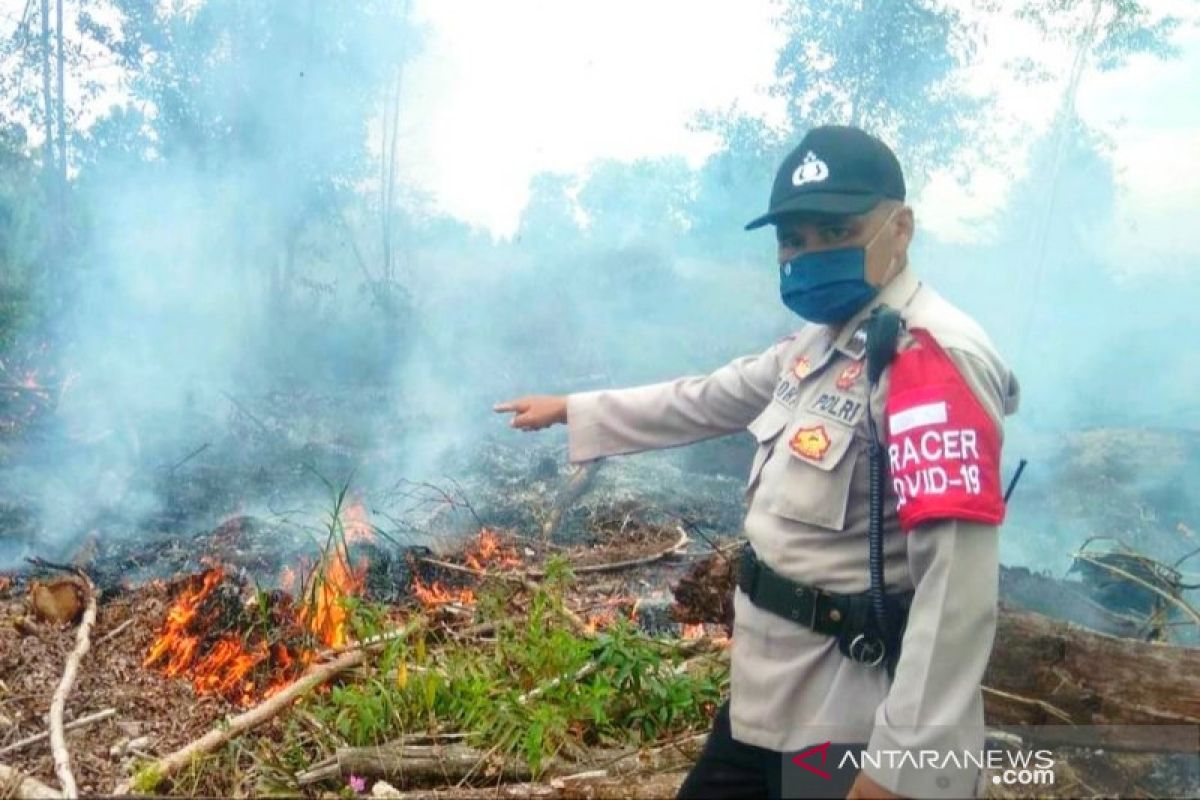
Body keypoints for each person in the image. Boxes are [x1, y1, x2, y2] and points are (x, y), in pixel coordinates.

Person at [495, 125, 1020, 800]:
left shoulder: (929, 358)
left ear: (902, 229)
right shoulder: (824, 341)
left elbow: (957, 590)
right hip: (771, 696)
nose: (808, 253)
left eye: (835, 231)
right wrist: (574, 408)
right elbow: (705, 398)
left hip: (848, 715)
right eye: (794, 238)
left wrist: (904, 766)